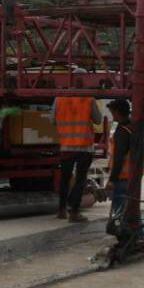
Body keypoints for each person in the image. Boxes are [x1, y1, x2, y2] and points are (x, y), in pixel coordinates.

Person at [52, 93, 102, 222]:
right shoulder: (89, 99)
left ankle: (62, 210)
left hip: (67, 146)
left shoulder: (59, 99)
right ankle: (74, 212)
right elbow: (98, 120)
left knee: (65, 179)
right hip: (84, 147)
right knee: (80, 179)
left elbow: (52, 120)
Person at [106, 98, 144, 239]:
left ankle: (130, 238)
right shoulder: (133, 128)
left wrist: (112, 180)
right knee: (132, 209)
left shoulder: (122, 131)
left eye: (112, 112)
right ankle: (139, 236)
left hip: (122, 178)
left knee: (121, 211)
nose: (111, 115)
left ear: (117, 112)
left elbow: (119, 157)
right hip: (134, 176)